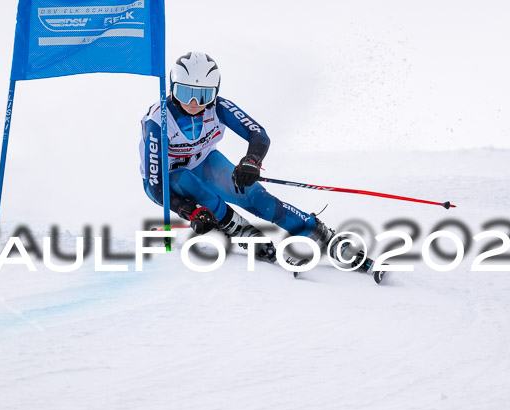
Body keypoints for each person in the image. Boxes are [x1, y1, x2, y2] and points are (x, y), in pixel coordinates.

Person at [138, 52, 377, 277]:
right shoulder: (158, 121)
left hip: (204, 162)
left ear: (215, 93)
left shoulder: (220, 108)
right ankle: (242, 231)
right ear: (171, 89)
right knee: (187, 181)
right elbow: (155, 185)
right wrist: (189, 210)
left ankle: (321, 234)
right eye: (184, 92)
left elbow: (258, 134)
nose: (192, 102)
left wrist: (251, 162)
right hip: (167, 179)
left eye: (202, 95)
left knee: (256, 197)